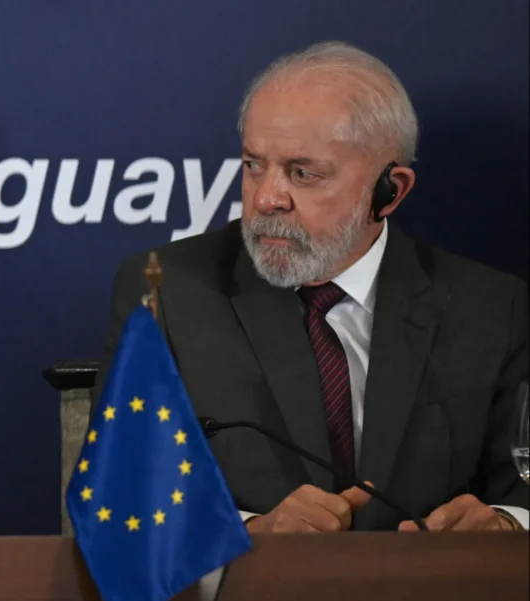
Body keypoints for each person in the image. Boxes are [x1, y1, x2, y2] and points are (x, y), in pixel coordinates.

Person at [94, 41, 528, 532]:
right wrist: (248, 534)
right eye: (254, 165)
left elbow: (522, 482)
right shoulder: (168, 292)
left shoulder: (492, 308)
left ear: (390, 191)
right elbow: (122, 496)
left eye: (303, 173)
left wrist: (505, 525)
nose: (266, 198)